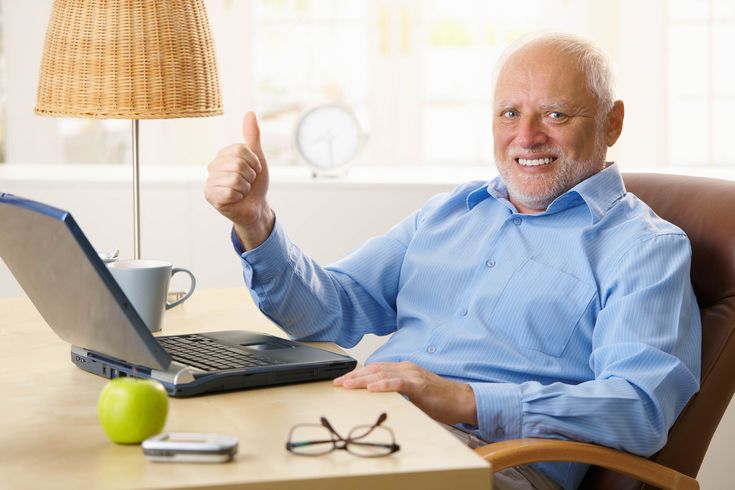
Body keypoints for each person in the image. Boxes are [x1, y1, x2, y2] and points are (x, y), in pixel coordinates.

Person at [204, 32, 701, 490]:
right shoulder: (447, 213)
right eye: (509, 113)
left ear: (612, 121)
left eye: (555, 114)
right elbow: (326, 311)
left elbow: (641, 407)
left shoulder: (645, 248)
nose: (526, 137)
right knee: (205, 450)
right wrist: (256, 222)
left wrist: (465, 399)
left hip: (492, 460)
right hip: (363, 428)